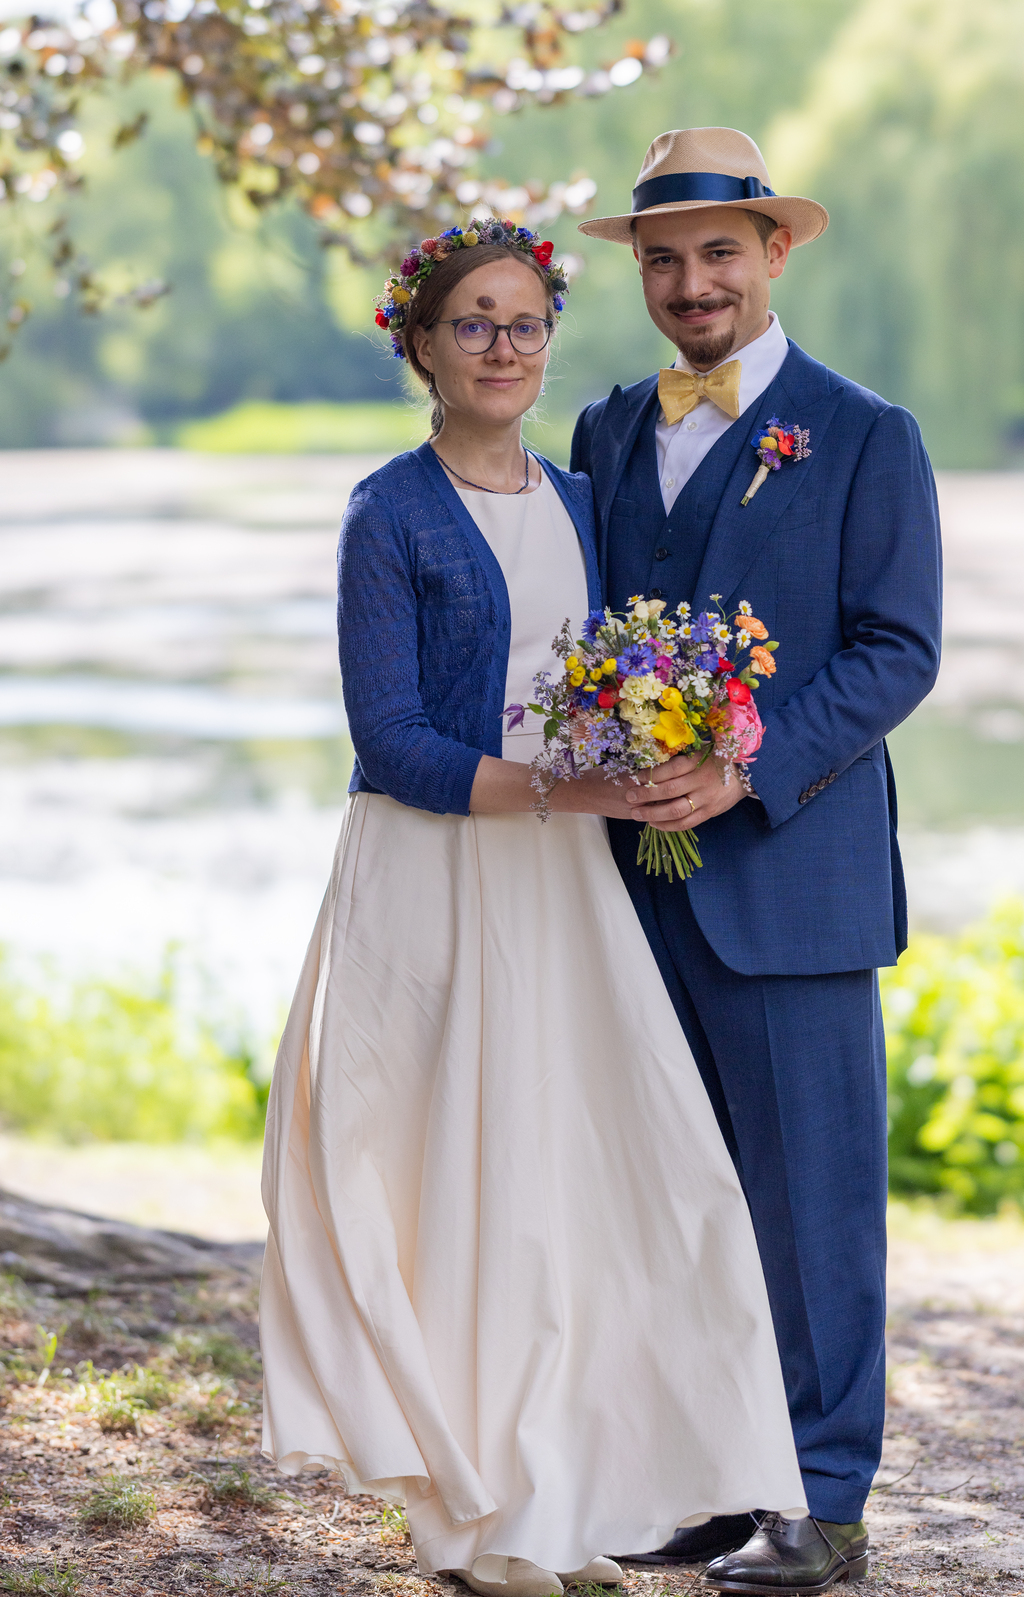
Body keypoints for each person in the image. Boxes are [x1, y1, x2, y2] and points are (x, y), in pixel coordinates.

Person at [259, 218, 809, 1597]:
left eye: (525, 322)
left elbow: (598, 682)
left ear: (550, 338)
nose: (504, 347)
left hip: (565, 886)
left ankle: (567, 1502)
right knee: (458, 1199)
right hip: (433, 881)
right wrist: (575, 794)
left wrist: (659, 746)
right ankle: (479, 1524)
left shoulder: (575, 497)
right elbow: (392, 738)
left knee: (594, 1186)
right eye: (473, 324)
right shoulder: (387, 512)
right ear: (422, 346)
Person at [571, 126, 943, 1593]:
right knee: (673, 1197)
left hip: (795, 886)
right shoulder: (605, 432)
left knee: (817, 1206)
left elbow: (898, 650)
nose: (690, 282)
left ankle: (827, 1500)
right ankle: (709, 1480)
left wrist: (749, 760)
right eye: (664, 260)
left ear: (776, 253)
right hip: (632, 891)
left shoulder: (866, 433)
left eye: (718, 252)